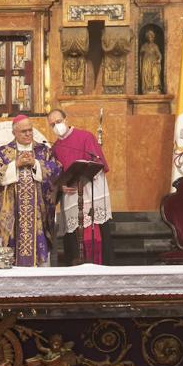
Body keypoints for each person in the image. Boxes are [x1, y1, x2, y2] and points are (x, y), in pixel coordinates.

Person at [0, 114, 61, 267]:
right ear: (14, 133)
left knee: (39, 249)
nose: (28, 134)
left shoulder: (43, 151)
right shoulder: (3, 152)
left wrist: (36, 164)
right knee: (11, 251)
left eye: (30, 130)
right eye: (24, 131)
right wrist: (15, 164)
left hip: (38, 214)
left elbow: (56, 170)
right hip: (11, 214)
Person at [47, 108, 111, 265]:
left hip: (90, 192)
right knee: (74, 239)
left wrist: (81, 180)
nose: (57, 126)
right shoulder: (55, 148)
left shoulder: (85, 136)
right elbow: (56, 175)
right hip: (70, 197)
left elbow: (97, 163)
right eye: (52, 124)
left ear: (66, 119)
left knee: (93, 234)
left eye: (59, 121)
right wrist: (61, 187)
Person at [140, 29, 162, 94]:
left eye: (151, 37)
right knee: (146, 75)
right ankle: (146, 88)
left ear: (153, 38)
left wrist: (158, 60)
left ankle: (154, 88)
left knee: (154, 73)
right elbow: (140, 54)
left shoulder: (155, 46)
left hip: (153, 62)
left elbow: (159, 55)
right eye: (149, 37)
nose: (150, 38)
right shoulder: (144, 46)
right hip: (146, 62)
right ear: (147, 37)